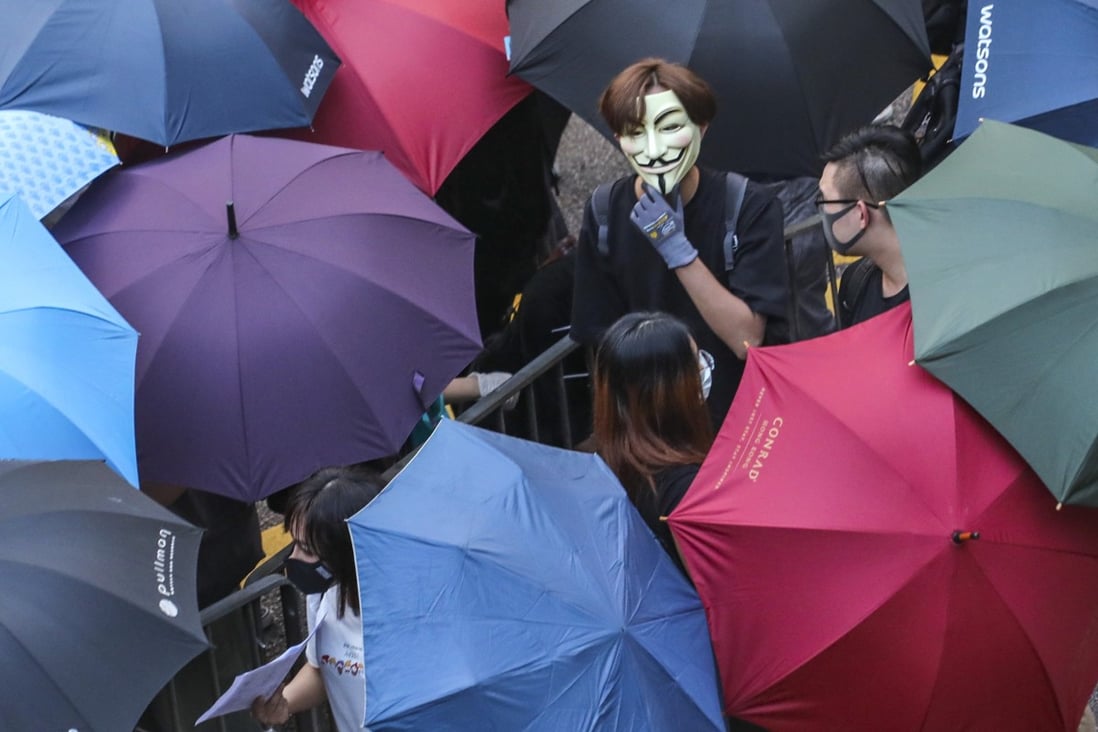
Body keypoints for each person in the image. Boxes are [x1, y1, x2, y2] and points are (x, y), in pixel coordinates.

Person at [571, 58, 789, 428]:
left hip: (744, 421)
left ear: (702, 128)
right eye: (635, 132)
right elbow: (601, 338)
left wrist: (676, 248)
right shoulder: (605, 210)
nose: (653, 149)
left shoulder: (748, 205)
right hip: (654, 430)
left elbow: (746, 339)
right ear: (617, 139)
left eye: (670, 127)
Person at [251, 466, 384, 731]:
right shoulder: (324, 596)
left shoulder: (416, 613)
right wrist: (283, 703)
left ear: (347, 552)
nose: (294, 559)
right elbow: (324, 670)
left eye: (308, 549)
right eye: (295, 544)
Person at [592, 312, 714, 575]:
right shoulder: (686, 489)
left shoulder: (615, 466)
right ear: (667, 388)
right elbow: (714, 584)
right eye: (695, 362)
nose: (704, 368)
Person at [816, 124, 923, 328]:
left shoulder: (945, 300)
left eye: (825, 200)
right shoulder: (855, 283)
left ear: (861, 214)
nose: (821, 211)